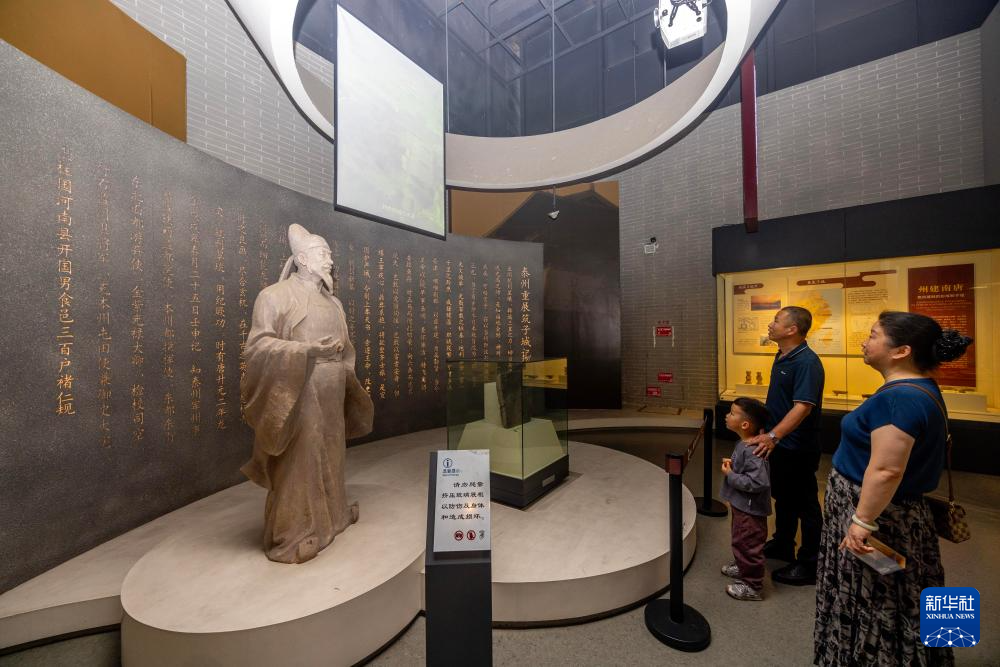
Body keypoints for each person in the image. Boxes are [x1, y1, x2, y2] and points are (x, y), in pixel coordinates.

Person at [814, 311, 971, 667]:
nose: (864, 342)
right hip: (897, 512)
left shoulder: (899, 398)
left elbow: (887, 469)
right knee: (910, 590)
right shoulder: (921, 389)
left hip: (881, 517)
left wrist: (862, 522)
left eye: (873, 335)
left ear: (901, 351)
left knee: (878, 598)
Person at [241, 223, 374, 564]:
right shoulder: (274, 296)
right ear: (301, 259)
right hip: (298, 388)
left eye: (329, 253)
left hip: (332, 389)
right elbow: (257, 346)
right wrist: (306, 351)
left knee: (332, 451)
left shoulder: (334, 303)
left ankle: (334, 517)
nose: (329, 260)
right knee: (301, 458)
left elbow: (345, 349)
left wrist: (341, 368)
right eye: (321, 253)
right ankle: (293, 534)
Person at [747, 305, 825, 585]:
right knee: (784, 497)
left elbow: (803, 407)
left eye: (776, 321)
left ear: (792, 329)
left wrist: (773, 436)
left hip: (798, 446)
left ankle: (810, 564)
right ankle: (783, 543)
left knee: (806, 504)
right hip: (781, 444)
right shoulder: (782, 355)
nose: (771, 324)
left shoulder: (806, 363)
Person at [720, 397, 772, 601]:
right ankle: (743, 568)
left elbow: (759, 482)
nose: (727, 415)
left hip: (750, 510)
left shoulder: (752, 450)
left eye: (732, 413)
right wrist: (734, 465)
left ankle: (753, 586)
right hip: (742, 506)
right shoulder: (743, 444)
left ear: (745, 424)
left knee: (749, 544)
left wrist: (730, 475)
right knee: (740, 539)